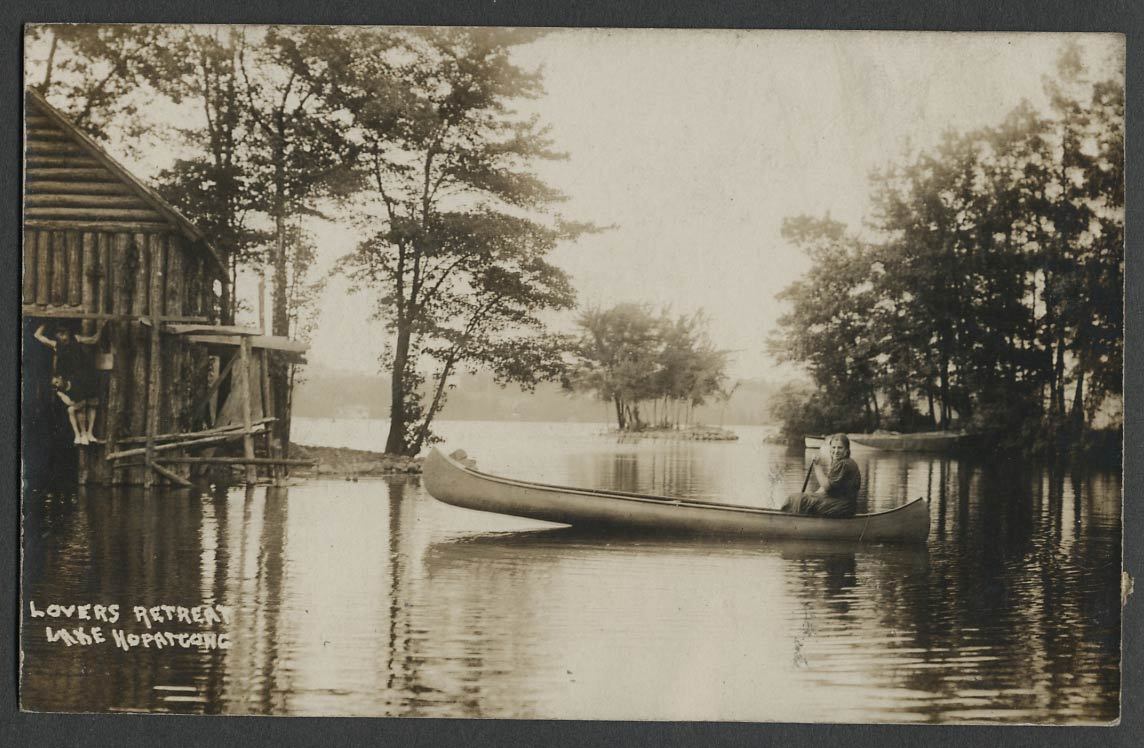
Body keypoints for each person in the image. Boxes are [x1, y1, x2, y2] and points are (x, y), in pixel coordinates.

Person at [34, 321, 105, 445]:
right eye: (59, 333)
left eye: (64, 332)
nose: (62, 336)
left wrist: (102, 326)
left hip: (87, 375)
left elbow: (94, 339)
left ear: (68, 332)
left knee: (92, 404)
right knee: (81, 407)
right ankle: (83, 434)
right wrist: (45, 321)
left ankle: (90, 433)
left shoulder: (77, 338)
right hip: (73, 379)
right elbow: (37, 335)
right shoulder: (56, 345)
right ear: (56, 335)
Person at [782, 433, 861, 518]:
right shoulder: (843, 462)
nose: (836, 451)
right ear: (830, 449)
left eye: (840, 448)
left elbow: (827, 487)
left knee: (798, 499)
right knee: (799, 497)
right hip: (843, 504)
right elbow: (827, 488)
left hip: (842, 506)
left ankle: (791, 520)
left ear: (846, 450)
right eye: (834, 447)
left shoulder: (844, 464)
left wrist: (817, 466)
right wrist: (811, 495)